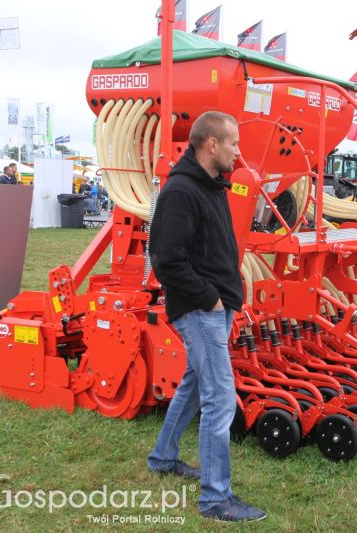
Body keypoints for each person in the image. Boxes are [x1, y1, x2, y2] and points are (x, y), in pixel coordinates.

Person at [146, 111, 267, 522]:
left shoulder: (210, 184)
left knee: (196, 385)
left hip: (216, 305)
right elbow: (166, 259)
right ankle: (216, 498)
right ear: (211, 144)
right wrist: (210, 299)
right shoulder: (181, 191)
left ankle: (162, 457)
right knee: (219, 399)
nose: (238, 150)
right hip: (201, 309)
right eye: (232, 142)